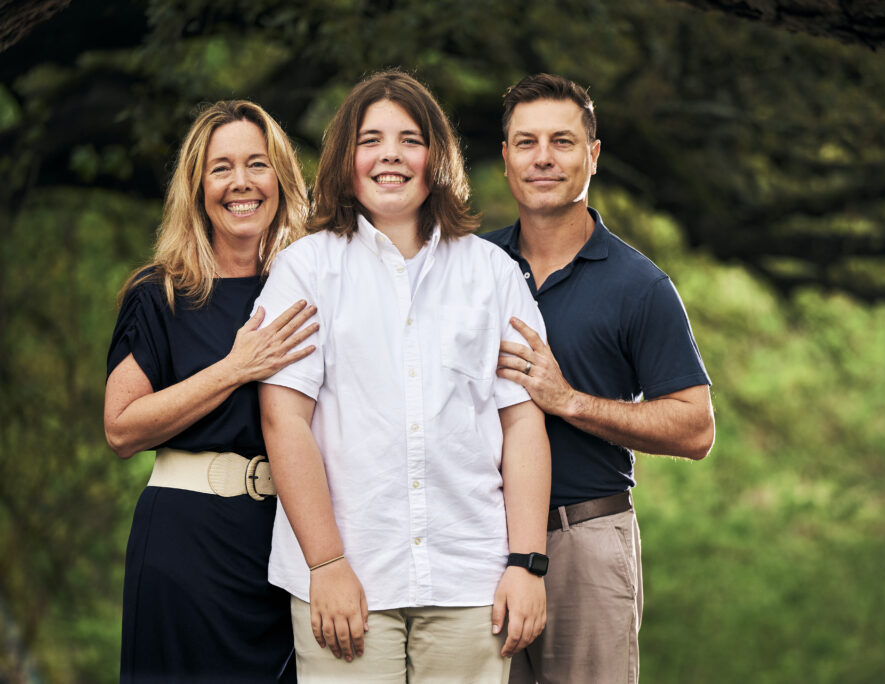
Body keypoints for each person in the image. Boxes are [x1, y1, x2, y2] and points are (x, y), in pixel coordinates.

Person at [255, 70, 551, 683]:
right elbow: (285, 421)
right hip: (348, 577)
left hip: (470, 576)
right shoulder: (304, 270)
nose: (390, 154)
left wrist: (527, 564)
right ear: (345, 158)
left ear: (435, 157)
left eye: (409, 138)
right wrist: (327, 563)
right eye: (371, 140)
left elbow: (523, 424)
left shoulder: (492, 274)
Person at [484, 73, 716, 684]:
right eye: (525, 142)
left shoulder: (640, 286)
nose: (542, 158)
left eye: (561, 141)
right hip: (477, 542)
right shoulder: (470, 268)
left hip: (584, 540)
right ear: (505, 157)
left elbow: (695, 428)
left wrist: (570, 402)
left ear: (592, 155)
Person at [104, 99, 316, 682]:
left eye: (257, 164)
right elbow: (121, 428)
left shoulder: (314, 288)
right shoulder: (160, 294)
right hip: (184, 547)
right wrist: (235, 367)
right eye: (221, 168)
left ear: (282, 177)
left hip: (292, 549)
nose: (240, 183)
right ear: (197, 187)